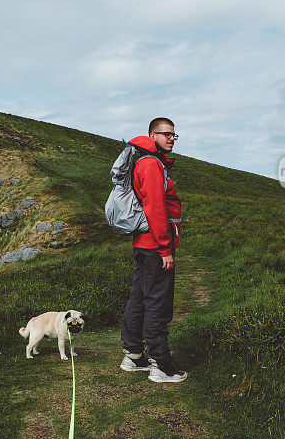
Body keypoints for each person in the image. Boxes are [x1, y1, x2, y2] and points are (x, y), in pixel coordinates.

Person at [119, 117, 187, 383]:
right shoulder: (151, 165)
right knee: (157, 303)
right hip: (154, 248)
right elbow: (156, 209)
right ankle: (161, 366)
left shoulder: (148, 162)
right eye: (166, 134)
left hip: (144, 246)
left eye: (174, 135)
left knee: (138, 299)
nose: (171, 138)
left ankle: (133, 356)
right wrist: (165, 249)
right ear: (152, 135)